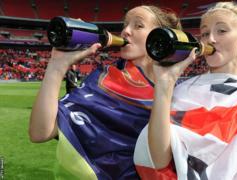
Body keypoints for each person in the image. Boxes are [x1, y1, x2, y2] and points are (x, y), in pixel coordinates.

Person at [134, 2, 237, 180]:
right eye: (204, 33)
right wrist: (164, 85)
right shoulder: (182, 92)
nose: (210, 39)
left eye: (221, 31)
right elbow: (157, 161)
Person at [29, 5, 181, 179]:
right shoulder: (103, 80)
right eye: (125, 25)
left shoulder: (182, 92)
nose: (125, 31)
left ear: (160, 37)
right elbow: (40, 132)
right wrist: (56, 65)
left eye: (138, 26)